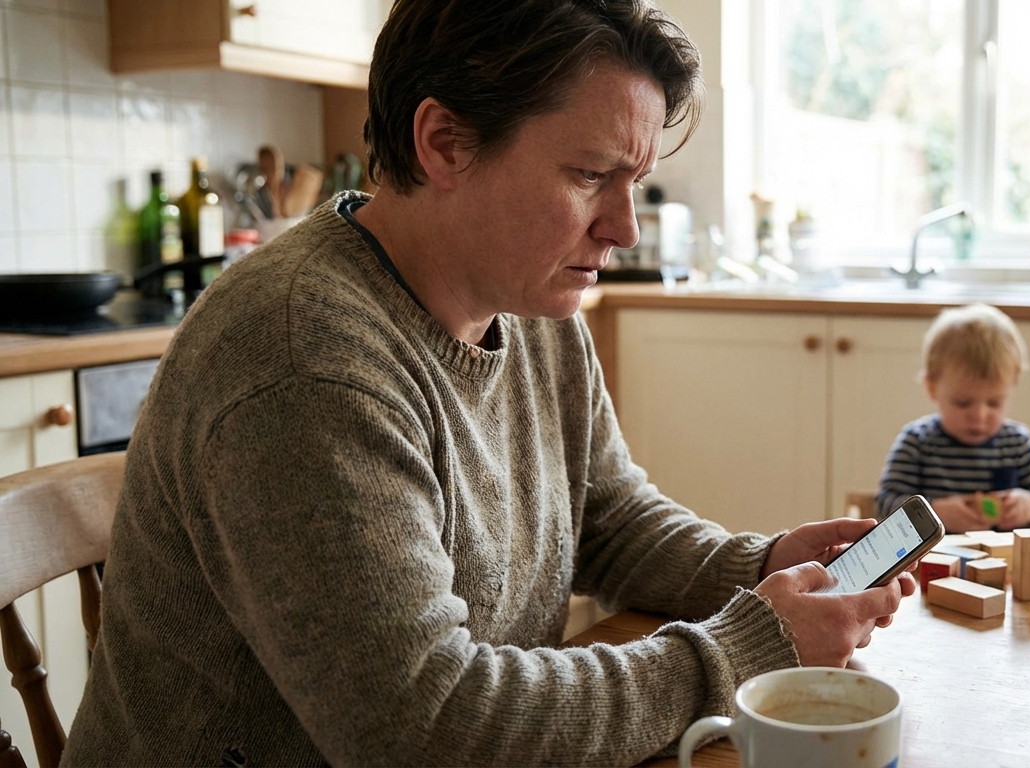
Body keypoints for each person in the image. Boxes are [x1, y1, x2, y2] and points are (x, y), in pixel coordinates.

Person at [60, 1, 915, 765]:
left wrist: (757, 563)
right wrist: (745, 648)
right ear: (445, 143)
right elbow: (426, 727)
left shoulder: (536, 300)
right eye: (589, 176)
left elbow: (607, 520)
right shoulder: (303, 360)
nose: (621, 227)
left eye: (635, 183)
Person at [875, 303, 1030, 533]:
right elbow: (884, 505)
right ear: (932, 388)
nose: (979, 416)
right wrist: (933, 513)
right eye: (963, 403)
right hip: (931, 565)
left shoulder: (1016, 442)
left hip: (1004, 565)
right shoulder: (918, 442)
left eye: (994, 403)